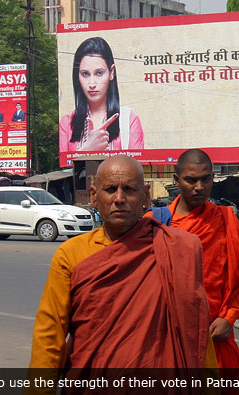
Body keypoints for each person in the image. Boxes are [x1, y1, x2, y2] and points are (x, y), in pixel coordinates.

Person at [29, 156, 215, 375]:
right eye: (110, 189)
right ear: (94, 196)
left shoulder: (176, 248)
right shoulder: (71, 254)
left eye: (129, 189)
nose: (119, 198)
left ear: (146, 195)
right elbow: (50, 334)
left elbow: (196, 330)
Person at [144, 149, 239, 369]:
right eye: (191, 180)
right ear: (176, 180)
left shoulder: (227, 220)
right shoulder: (153, 224)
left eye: (206, 179)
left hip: (215, 334)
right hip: (167, 337)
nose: (199, 187)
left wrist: (228, 318)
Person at [59, 37, 144, 153]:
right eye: (85, 74)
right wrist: (87, 149)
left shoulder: (129, 119)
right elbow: (65, 169)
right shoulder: (67, 122)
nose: (92, 83)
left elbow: (136, 168)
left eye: (99, 73)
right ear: (77, 75)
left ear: (111, 72)